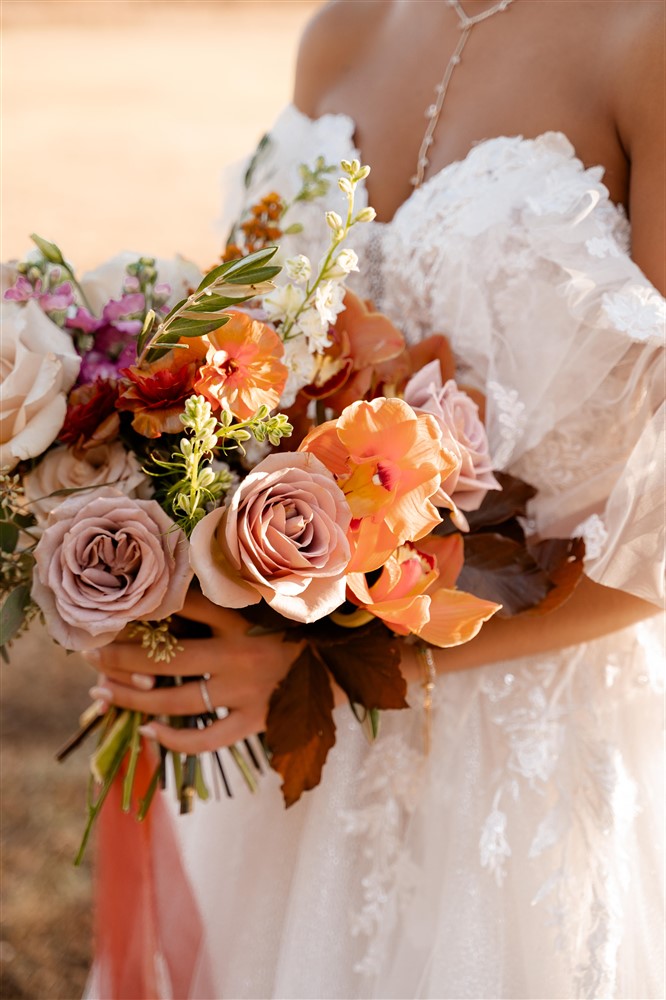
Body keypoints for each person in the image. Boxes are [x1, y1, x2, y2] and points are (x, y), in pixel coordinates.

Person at [86, 1, 665, 997]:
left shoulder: (643, 39)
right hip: (294, 758)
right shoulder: (340, 37)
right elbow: (241, 378)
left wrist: (330, 653)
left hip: (535, 763)